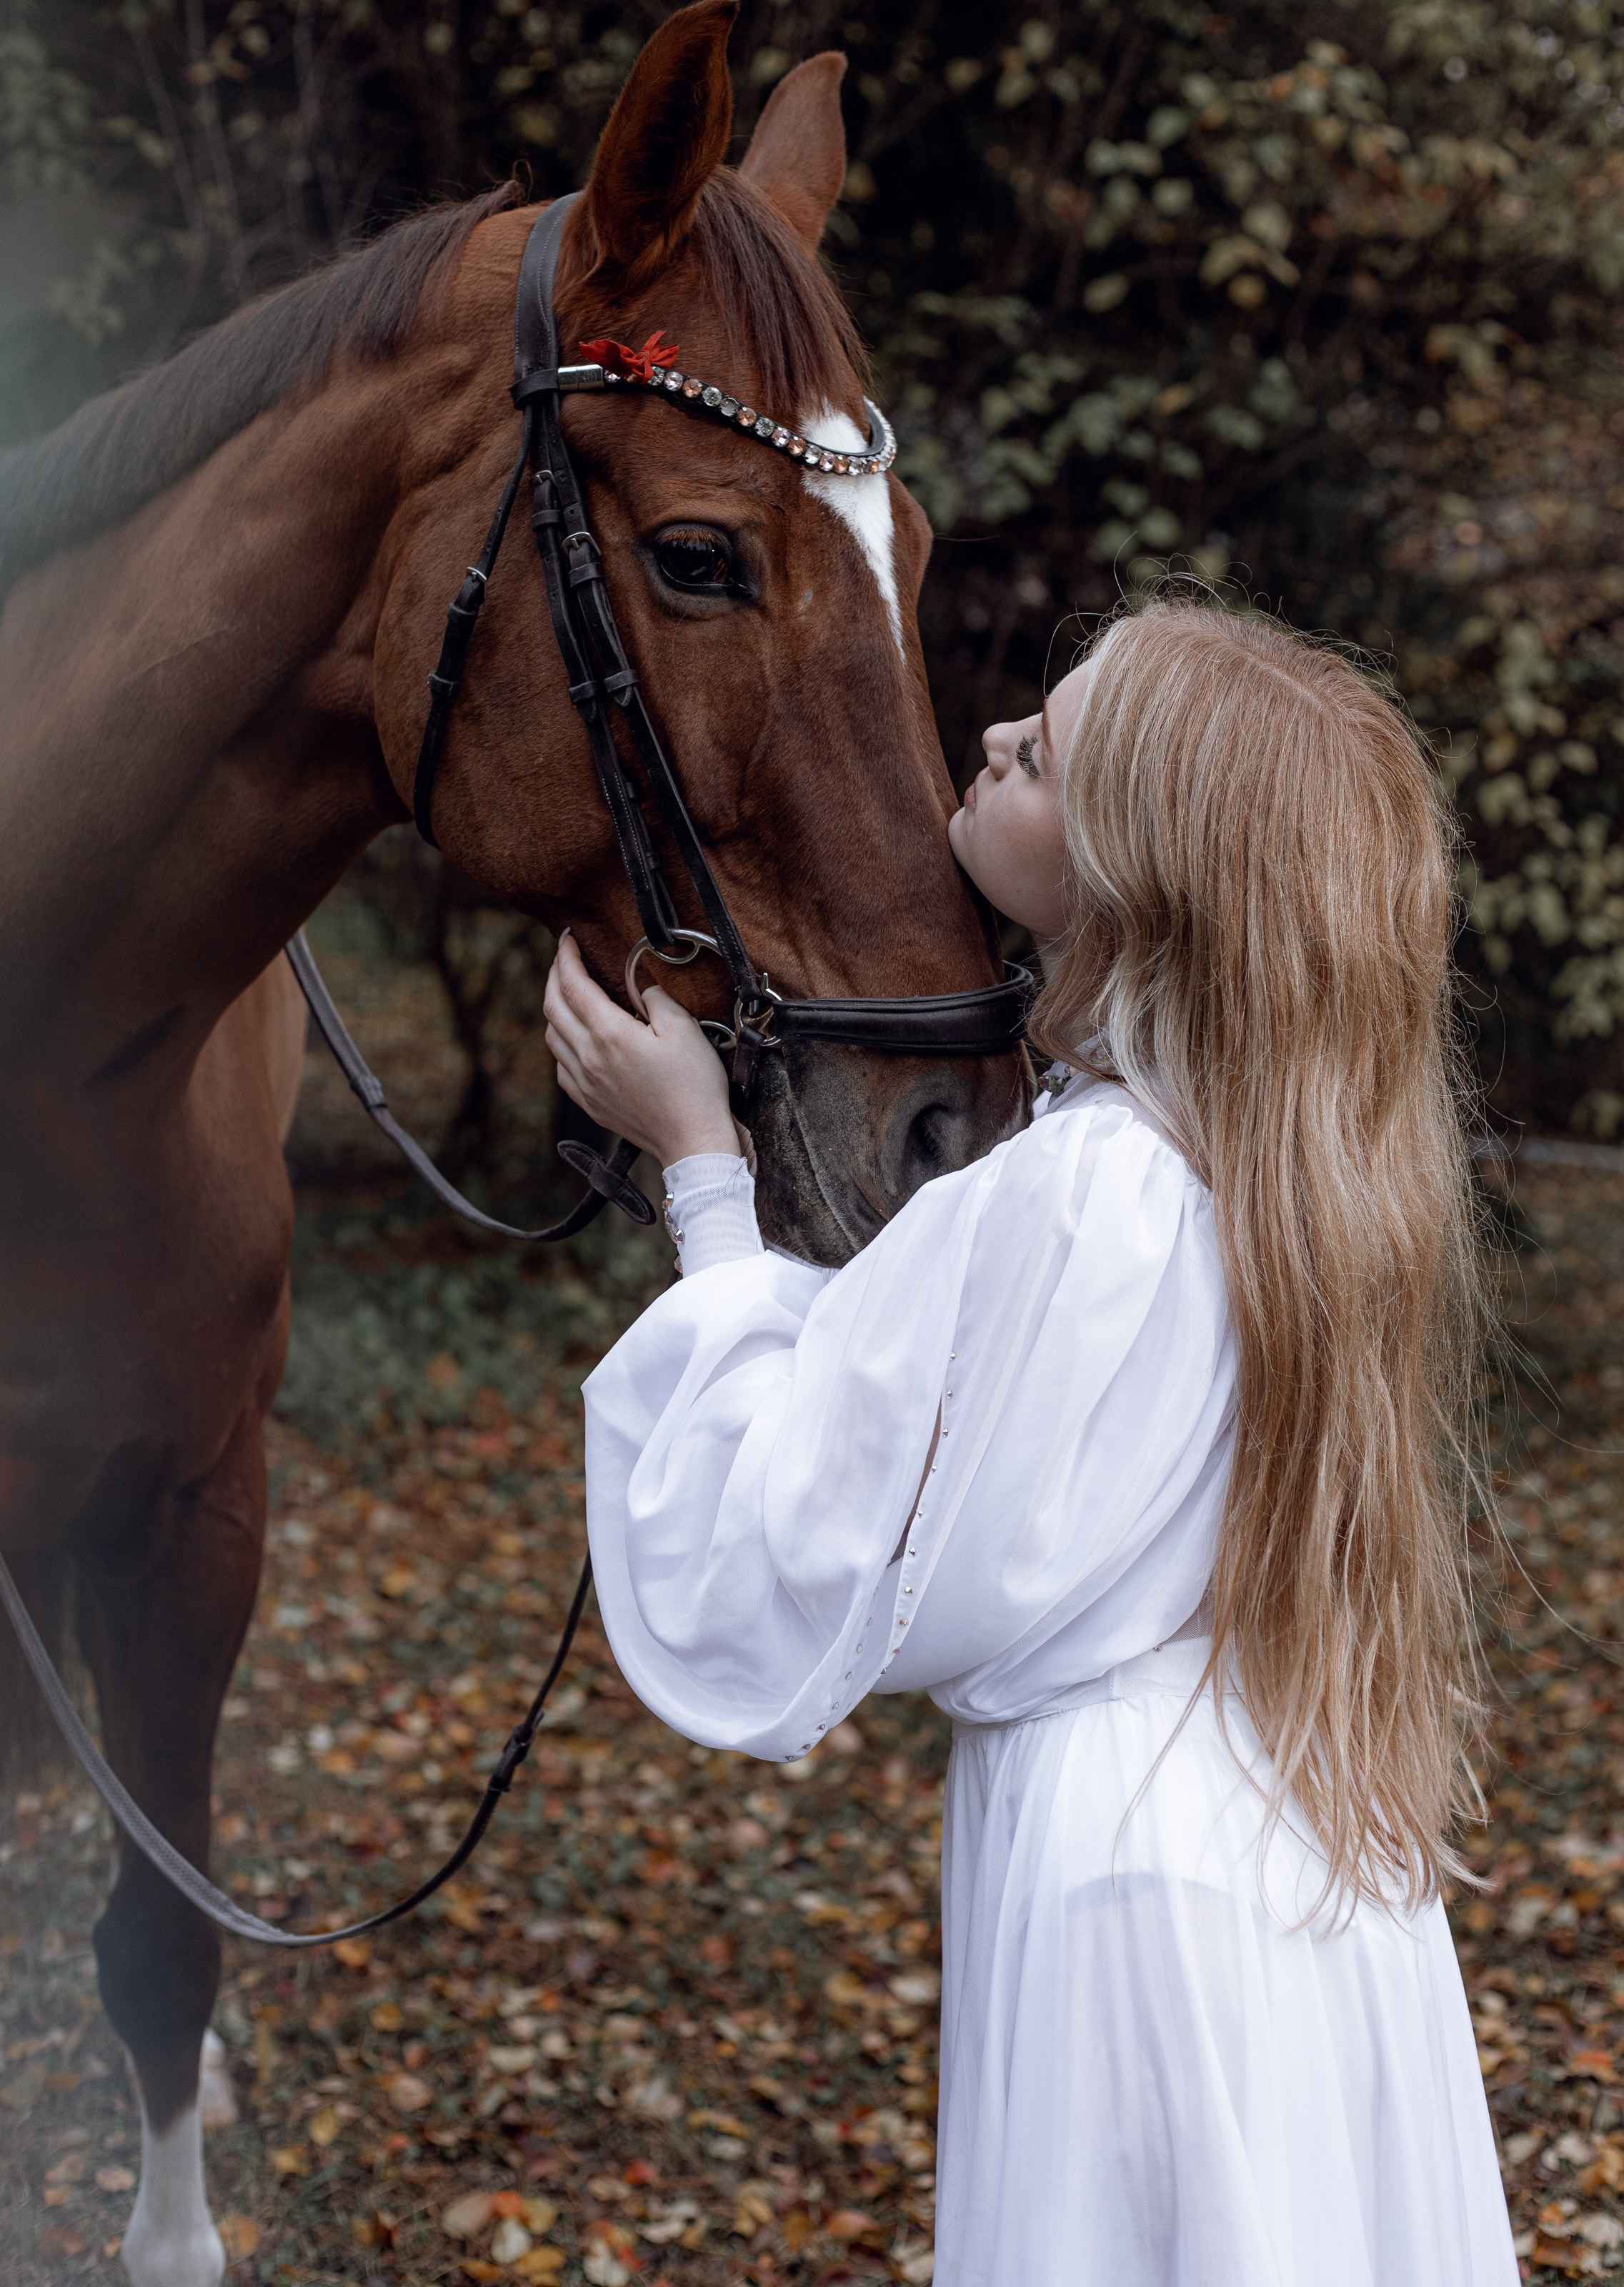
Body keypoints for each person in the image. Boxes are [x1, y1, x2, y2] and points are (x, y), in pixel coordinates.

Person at [542, 597, 1517, 2287]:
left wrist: (701, 1166)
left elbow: (806, 1539)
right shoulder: (1289, 1178)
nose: (985, 740)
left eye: (1041, 756)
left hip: (1132, 1893)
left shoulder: (1086, 1197)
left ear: (1140, 868)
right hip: (1294, 1848)